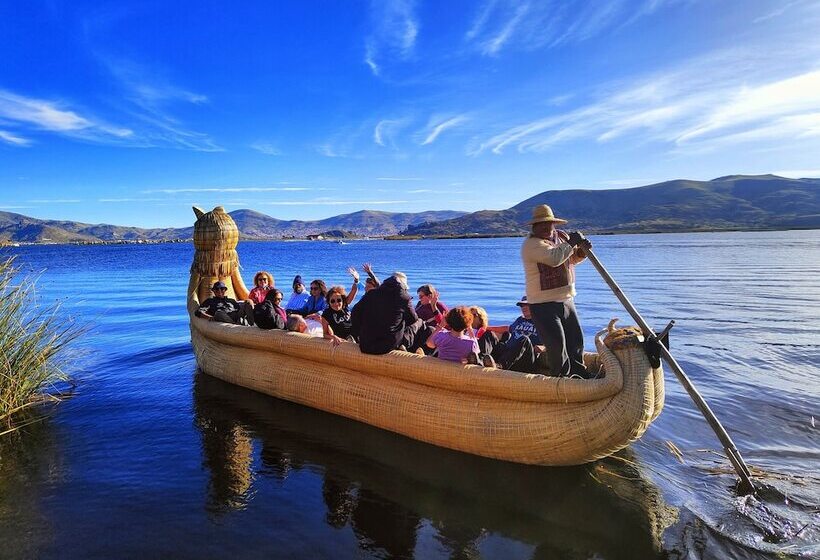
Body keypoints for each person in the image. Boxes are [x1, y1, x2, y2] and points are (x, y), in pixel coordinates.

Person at [520, 204, 593, 378]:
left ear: (554, 224)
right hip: (543, 304)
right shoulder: (531, 245)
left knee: (575, 342)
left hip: (566, 299)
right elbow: (554, 259)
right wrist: (571, 243)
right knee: (556, 346)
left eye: (549, 224)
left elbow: (570, 259)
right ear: (534, 227)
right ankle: (560, 383)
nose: (545, 227)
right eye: (541, 224)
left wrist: (581, 253)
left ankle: (579, 376)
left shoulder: (561, 237)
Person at [351, 272, 432, 355]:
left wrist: (359, 334)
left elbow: (354, 313)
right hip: (388, 346)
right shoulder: (404, 297)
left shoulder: (371, 293)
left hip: (366, 344)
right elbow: (412, 320)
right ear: (403, 286)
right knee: (420, 322)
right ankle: (414, 350)